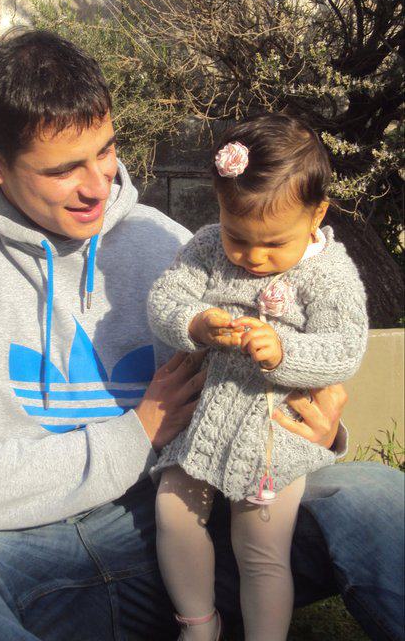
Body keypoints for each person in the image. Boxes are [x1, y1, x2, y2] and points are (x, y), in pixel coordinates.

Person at [0, 30, 402, 641]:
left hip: (170, 533)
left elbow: (256, 369)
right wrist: (136, 433)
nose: (98, 184)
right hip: (7, 553)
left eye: (106, 151)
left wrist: (312, 427)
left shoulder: (162, 240)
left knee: (377, 496)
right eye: (64, 169)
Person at [147, 115, 368, 641]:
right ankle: (199, 623)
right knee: (172, 514)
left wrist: (284, 352)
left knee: (261, 548)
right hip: (202, 424)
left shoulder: (329, 273)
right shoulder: (206, 247)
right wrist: (194, 323)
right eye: (238, 237)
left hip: (273, 436)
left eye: (272, 244)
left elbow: (345, 347)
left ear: (317, 213)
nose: (253, 257)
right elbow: (164, 298)